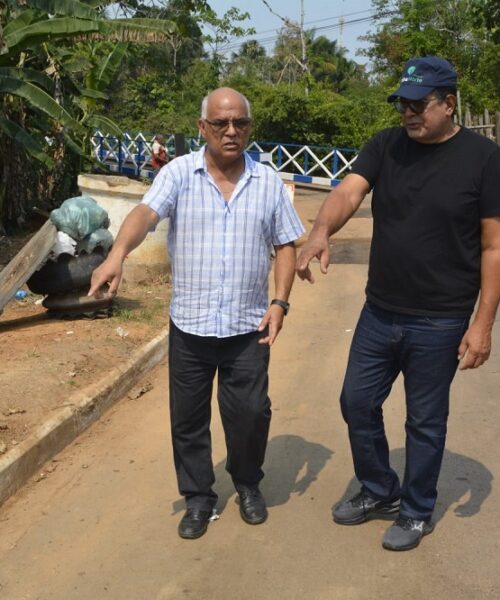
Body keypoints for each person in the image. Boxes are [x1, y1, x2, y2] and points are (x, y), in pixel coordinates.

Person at [296, 56, 500, 551]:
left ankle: (415, 510)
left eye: (419, 104)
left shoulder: (484, 158)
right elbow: (349, 192)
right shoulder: (386, 145)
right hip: (380, 310)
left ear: (449, 103)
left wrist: (482, 324)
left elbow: (494, 246)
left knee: (424, 421)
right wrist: (322, 229)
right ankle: (380, 489)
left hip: (442, 318)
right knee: (356, 402)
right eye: (402, 103)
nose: (408, 113)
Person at [89, 87, 304, 539]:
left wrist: (280, 302)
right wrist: (118, 255)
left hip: (248, 326)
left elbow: (285, 245)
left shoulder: (267, 181)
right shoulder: (179, 174)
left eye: (240, 123)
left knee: (250, 414)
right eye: (221, 123)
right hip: (191, 325)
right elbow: (146, 213)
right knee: (187, 419)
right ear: (202, 127)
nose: (231, 131)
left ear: (249, 127)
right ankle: (199, 498)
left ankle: (247, 483)